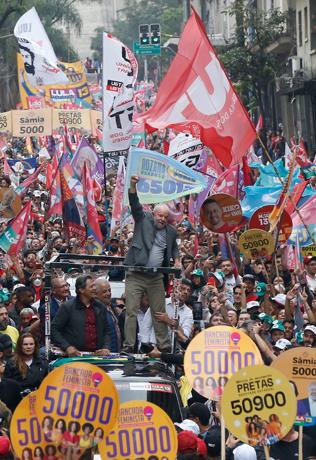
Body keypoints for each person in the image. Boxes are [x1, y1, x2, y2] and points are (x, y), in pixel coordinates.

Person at [123, 176, 180, 353]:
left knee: (159, 311)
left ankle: (163, 345)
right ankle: (129, 346)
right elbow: (134, 202)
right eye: (159, 215)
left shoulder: (171, 231)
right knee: (131, 310)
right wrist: (133, 185)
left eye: (165, 216)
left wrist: (177, 260)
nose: (162, 219)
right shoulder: (142, 219)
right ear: (153, 214)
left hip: (156, 276)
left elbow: (175, 249)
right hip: (136, 273)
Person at [94, 278, 121, 352]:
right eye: (104, 291)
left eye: (109, 290)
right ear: (95, 294)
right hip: (103, 354)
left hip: (117, 354)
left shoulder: (112, 307)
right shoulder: (94, 311)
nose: (108, 293)